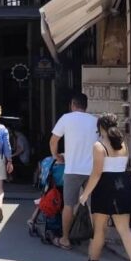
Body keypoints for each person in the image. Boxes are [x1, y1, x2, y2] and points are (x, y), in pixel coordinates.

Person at [78, 114, 131, 261]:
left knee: (99, 228)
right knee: (124, 229)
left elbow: (96, 173)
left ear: (101, 127)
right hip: (123, 185)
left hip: (104, 187)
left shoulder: (99, 145)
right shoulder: (123, 144)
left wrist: (85, 194)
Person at [48, 93, 98, 250]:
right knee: (93, 206)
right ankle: (95, 241)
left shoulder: (66, 118)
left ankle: (65, 239)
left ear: (72, 105)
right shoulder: (95, 120)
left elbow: (53, 140)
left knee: (69, 204)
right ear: (86, 106)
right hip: (92, 170)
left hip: (72, 169)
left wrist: (56, 156)